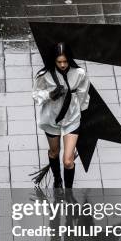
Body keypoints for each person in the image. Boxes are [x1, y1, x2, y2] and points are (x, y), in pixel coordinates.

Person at [32, 42, 90, 189]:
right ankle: (57, 179)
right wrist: (49, 95)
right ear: (54, 61)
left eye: (65, 61)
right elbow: (35, 94)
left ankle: (68, 191)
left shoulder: (80, 74)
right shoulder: (44, 75)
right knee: (54, 151)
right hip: (51, 120)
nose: (63, 65)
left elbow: (83, 94)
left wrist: (79, 111)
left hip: (72, 119)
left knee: (68, 161)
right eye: (59, 62)